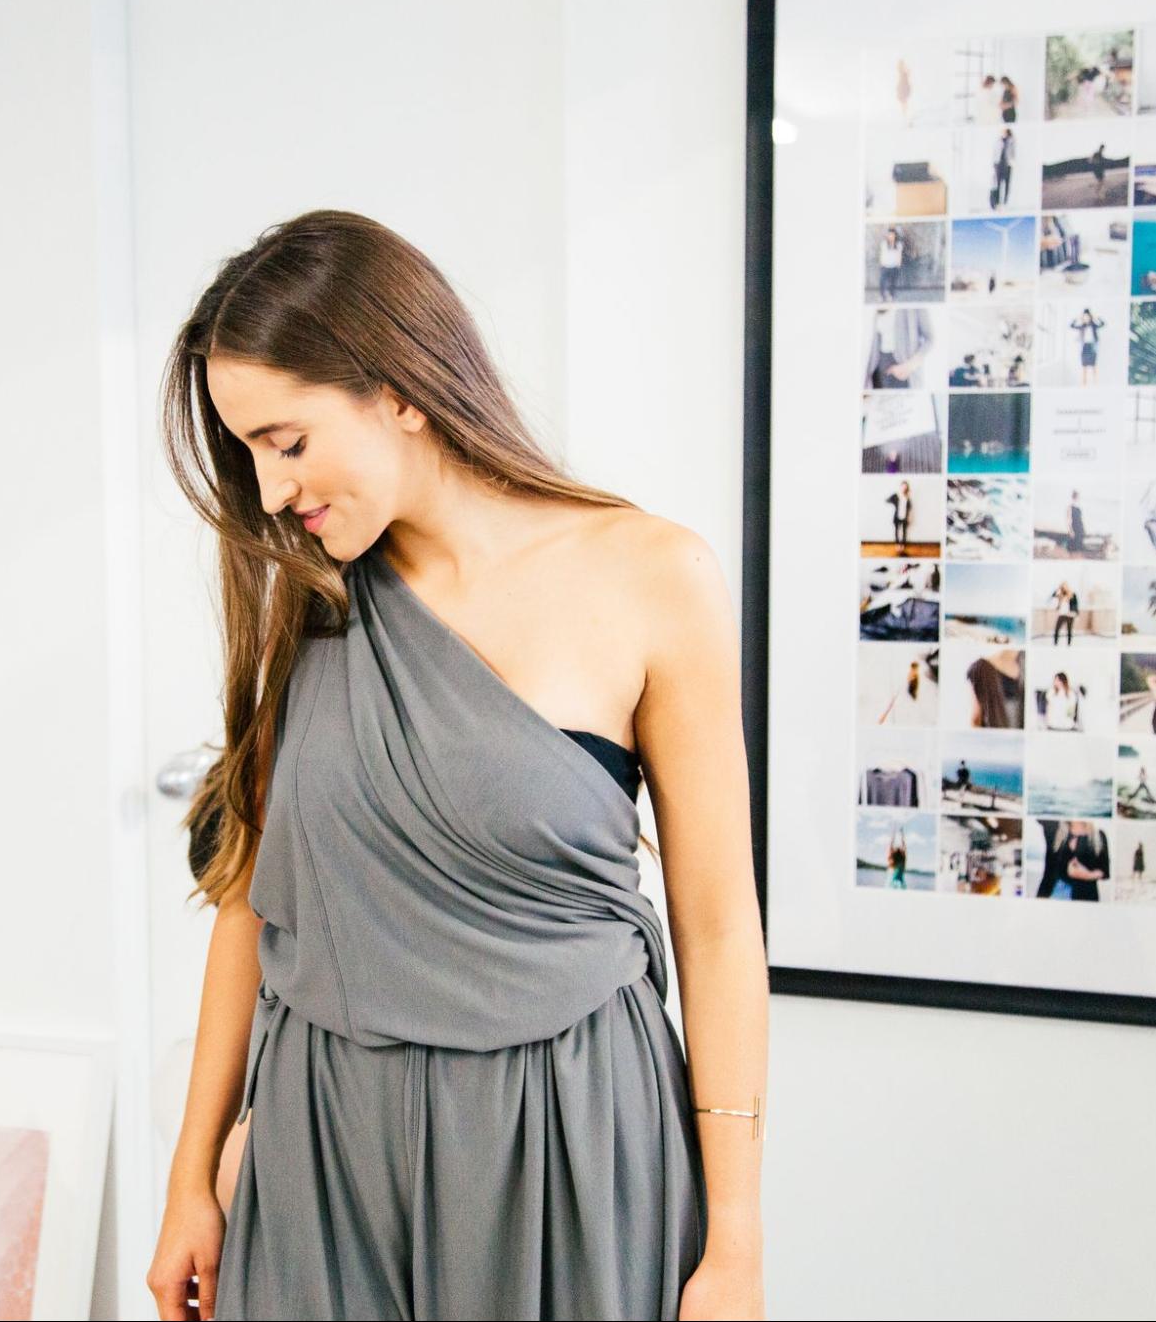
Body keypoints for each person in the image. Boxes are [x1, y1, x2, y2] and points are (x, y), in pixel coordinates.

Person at [147, 210, 765, 1321]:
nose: (271, 488)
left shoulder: (650, 576)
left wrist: (736, 1240)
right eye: (247, 452)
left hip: (567, 1138)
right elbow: (251, 896)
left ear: (398, 388)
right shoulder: (313, 596)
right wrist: (189, 1176)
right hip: (325, 1142)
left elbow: (718, 927)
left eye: (285, 441)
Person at [1038, 820, 1109, 900]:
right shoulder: (1055, 829)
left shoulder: (1098, 836)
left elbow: (1105, 871)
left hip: (1086, 896)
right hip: (1056, 893)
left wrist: (1086, 875)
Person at [867, 306, 933, 389]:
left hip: (904, 366)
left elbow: (930, 339)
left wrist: (909, 366)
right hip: (880, 365)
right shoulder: (878, 302)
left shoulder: (914, 306)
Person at [1071, 308, 1104, 385]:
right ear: (1083, 317)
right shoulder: (1082, 326)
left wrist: (1096, 317)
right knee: (1084, 367)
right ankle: (1084, 385)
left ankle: (1095, 384)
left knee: (1093, 366)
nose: (1086, 318)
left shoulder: (1094, 325)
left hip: (1092, 346)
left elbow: (1102, 324)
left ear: (1090, 317)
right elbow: (1071, 326)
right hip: (1084, 346)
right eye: (1085, 317)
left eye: (1088, 316)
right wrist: (1077, 318)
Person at [877, 225, 905, 301]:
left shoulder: (898, 245)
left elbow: (899, 255)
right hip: (885, 266)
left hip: (894, 266)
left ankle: (891, 295)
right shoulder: (884, 244)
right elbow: (882, 254)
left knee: (892, 283)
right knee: (882, 282)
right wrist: (881, 263)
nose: (891, 236)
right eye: (889, 235)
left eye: (892, 235)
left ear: (895, 236)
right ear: (887, 236)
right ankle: (882, 296)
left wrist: (899, 264)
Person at [886, 479, 913, 550]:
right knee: (897, 531)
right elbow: (887, 500)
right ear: (900, 487)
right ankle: (897, 544)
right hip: (897, 516)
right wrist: (893, 502)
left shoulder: (907, 497)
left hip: (905, 516)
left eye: (905, 487)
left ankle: (903, 545)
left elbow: (909, 507)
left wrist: (909, 517)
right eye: (903, 486)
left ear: (907, 488)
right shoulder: (896, 495)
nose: (904, 488)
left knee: (904, 532)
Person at [993, 127, 1015, 208]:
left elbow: (1013, 152)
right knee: (998, 184)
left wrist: (1012, 162)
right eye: (1002, 131)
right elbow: (995, 151)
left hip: (1007, 165)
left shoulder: (1011, 141)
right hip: (999, 164)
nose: (1003, 133)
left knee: (1007, 184)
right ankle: (998, 203)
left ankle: (1005, 203)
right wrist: (994, 163)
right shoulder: (999, 141)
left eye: (1004, 131)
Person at [1066, 489, 1087, 556]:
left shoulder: (1079, 507)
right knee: (1073, 548)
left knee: (1080, 548)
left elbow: (1081, 519)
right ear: (1073, 497)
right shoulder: (1070, 507)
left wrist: (1084, 529)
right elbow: (1068, 520)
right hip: (1074, 528)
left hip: (1080, 528)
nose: (1077, 498)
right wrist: (1070, 530)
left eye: (1078, 497)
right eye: (1076, 496)